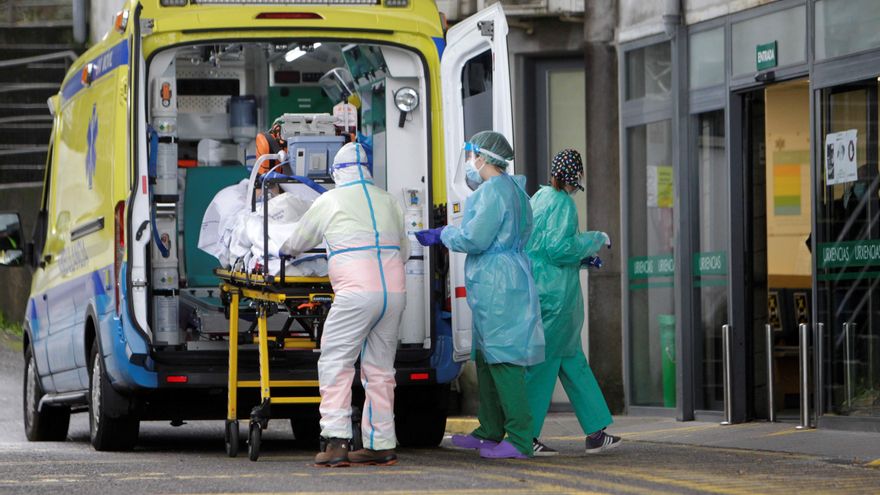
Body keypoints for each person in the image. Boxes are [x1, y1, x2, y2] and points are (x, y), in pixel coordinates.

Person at [278, 142, 409, 467]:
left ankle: (336, 442)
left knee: (336, 363)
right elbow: (404, 251)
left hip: (355, 295)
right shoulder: (388, 200)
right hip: (393, 294)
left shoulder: (330, 200)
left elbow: (299, 239)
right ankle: (381, 444)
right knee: (380, 371)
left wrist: (285, 251)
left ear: (337, 172)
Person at [415, 131, 544, 460]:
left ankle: (518, 438)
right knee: (487, 359)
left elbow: (474, 239)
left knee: (503, 360)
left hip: (497, 283)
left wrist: (444, 233)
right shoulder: (515, 190)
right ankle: (489, 429)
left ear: (485, 157)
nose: (471, 161)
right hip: (505, 278)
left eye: (473, 154)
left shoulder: (490, 194)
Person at [525, 149, 620, 456]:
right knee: (546, 364)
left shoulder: (538, 199)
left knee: (571, 361)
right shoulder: (563, 204)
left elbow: (541, 249)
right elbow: (558, 248)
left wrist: (582, 259)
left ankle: (596, 431)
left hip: (542, 290)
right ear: (575, 177)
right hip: (558, 298)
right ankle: (524, 435)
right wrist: (594, 239)